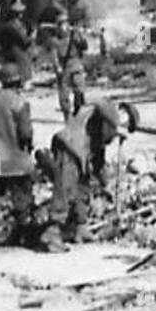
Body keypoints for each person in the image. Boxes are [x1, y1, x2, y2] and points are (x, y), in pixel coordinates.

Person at [42, 100, 132, 251]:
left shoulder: (100, 126)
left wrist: (104, 180)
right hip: (68, 146)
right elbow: (99, 104)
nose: (114, 139)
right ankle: (52, 232)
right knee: (66, 189)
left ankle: (80, 227)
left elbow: (98, 158)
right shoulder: (107, 111)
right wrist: (116, 127)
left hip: (80, 152)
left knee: (83, 187)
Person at [0, 61, 36, 250]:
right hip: (15, 157)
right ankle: (25, 233)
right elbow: (25, 133)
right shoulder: (20, 103)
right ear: (18, 81)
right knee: (22, 197)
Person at [53, 24, 88, 122]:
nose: (63, 28)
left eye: (64, 24)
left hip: (76, 66)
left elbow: (84, 46)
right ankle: (67, 117)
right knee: (64, 95)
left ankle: (79, 114)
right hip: (64, 69)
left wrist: (80, 36)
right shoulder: (56, 41)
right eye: (60, 25)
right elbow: (54, 55)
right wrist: (57, 67)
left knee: (79, 92)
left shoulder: (74, 37)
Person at [0, 2, 33, 85]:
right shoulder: (15, 25)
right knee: (23, 66)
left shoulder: (7, 24)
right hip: (17, 51)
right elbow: (24, 40)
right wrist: (32, 36)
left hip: (8, 51)